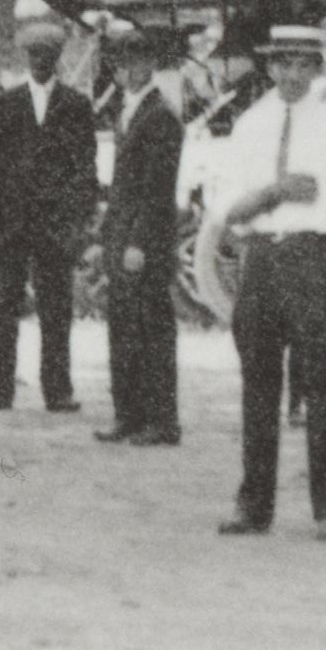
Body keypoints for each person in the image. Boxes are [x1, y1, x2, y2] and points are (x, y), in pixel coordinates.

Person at [206, 19, 326, 535]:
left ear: (319, 68)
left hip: (314, 257)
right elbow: (228, 207)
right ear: (269, 66)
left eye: (304, 64)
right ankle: (253, 506)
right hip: (262, 260)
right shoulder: (250, 123)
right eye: (283, 63)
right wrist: (275, 192)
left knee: (324, 385)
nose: (292, 74)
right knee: (258, 385)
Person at [0, 1, 105, 415]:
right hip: (12, 223)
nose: (41, 63)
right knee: (4, 307)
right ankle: (0, 390)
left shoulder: (76, 106)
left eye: (49, 56)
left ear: (57, 59)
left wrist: (76, 221)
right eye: (35, 56)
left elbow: (85, 168)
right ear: (25, 57)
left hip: (55, 225)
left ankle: (58, 390)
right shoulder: (3, 106)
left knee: (56, 309)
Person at [96, 24, 192, 447]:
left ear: (151, 65)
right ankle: (128, 414)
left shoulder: (161, 115)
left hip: (145, 237)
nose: (128, 71)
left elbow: (157, 188)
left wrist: (137, 241)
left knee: (152, 328)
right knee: (123, 325)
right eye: (122, 63)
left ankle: (162, 420)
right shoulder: (129, 108)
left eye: (137, 62)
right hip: (122, 231)